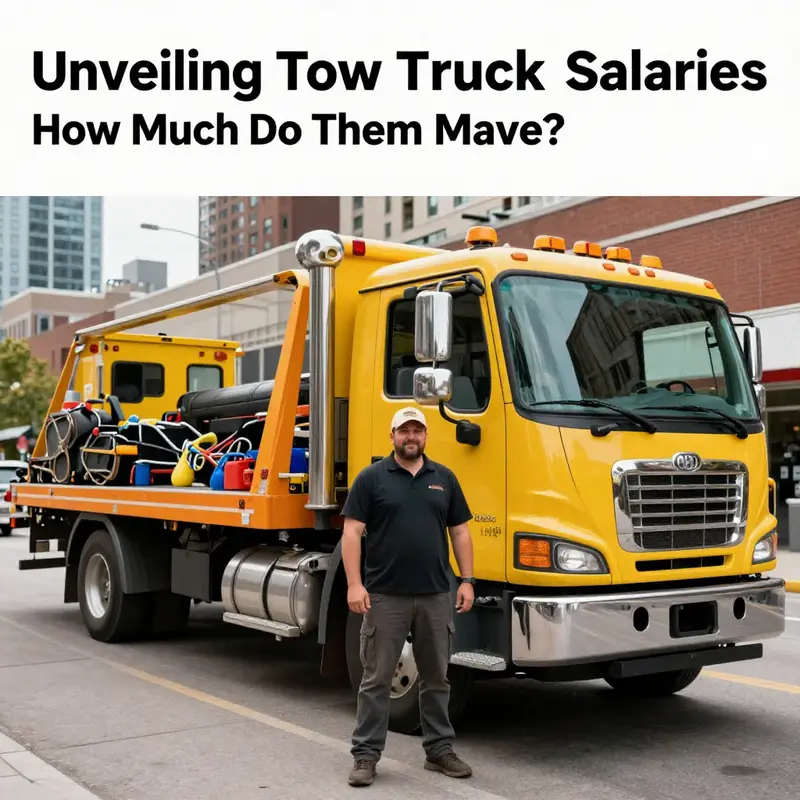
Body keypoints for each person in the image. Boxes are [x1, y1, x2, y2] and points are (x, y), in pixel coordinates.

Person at [340, 406, 475, 787]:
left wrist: (466, 580)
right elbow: (351, 533)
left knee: (437, 678)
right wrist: (354, 584)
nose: (411, 436)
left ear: (426, 436)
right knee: (376, 679)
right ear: (392, 435)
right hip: (386, 596)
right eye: (404, 431)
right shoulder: (372, 478)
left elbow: (460, 532)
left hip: (435, 594)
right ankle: (365, 756)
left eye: (417, 430)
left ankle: (439, 750)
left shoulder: (444, 478)